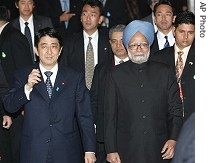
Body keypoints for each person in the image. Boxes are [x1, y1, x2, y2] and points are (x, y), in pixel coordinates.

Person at [2, 27, 96, 163]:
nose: (49, 52)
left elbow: (85, 115)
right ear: (36, 50)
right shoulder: (23, 75)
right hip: (34, 151)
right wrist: (27, 87)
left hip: (67, 151)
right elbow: (9, 106)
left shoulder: (74, 78)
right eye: (44, 46)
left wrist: (89, 150)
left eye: (53, 46)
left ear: (60, 50)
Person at [104, 20, 183, 163]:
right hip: (125, 149)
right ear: (127, 47)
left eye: (143, 44)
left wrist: (173, 138)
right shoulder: (115, 75)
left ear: (149, 46)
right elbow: (109, 115)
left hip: (160, 147)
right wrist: (110, 149)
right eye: (134, 45)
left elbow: (176, 109)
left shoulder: (164, 72)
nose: (139, 48)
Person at [90, 24, 128, 163]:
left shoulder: (140, 66)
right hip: (105, 135)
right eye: (114, 41)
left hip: (132, 135)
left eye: (122, 40)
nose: (118, 45)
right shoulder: (101, 69)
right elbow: (94, 99)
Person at [0, 5, 33, 163]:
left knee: (15, 152)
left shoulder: (13, 37)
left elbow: (23, 72)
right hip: (7, 105)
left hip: (15, 106)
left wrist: (19, 106)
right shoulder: (5, 36)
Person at [151, 11, 195, 121]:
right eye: (182, 32)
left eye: (190, 33)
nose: (185, 37)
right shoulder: (158, 58)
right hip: (167, 120)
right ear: (174, 31)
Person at [60, 0, 112, 89]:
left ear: (100, 19)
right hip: (76, 93)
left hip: (103, 92)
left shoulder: (108, 42)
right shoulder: (70, 42)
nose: (88, 18)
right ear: (80, 17)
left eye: (92, 15)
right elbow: (63, 70)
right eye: (84, 14)